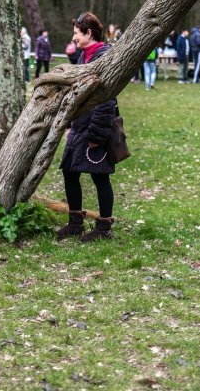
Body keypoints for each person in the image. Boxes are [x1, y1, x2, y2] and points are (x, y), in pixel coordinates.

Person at [57, 12, 119, 242]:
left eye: (76, 33)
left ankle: (104, 229)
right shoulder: (85, 57)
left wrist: (96, 135)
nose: (73, 38)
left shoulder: (103, 58)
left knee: (100, 177)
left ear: (88, 33)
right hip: (79, 126)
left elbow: (107, 101)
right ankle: (75, 223)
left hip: (94, 128)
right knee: (69, 172)